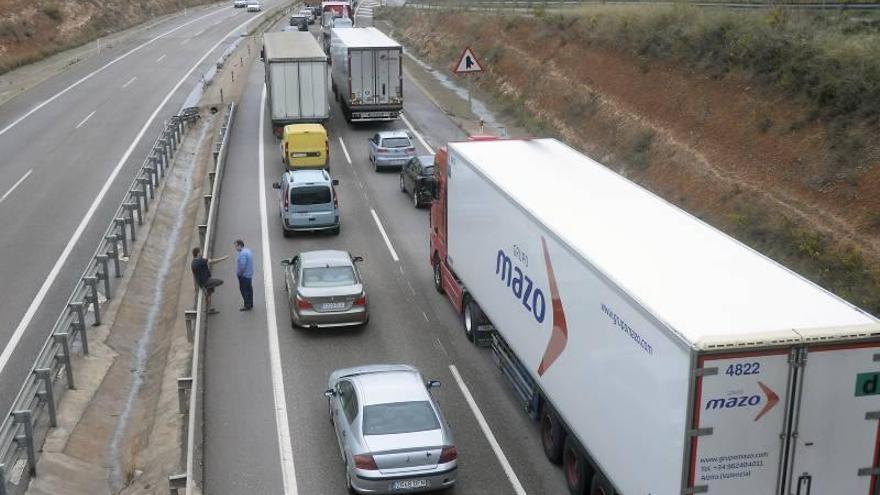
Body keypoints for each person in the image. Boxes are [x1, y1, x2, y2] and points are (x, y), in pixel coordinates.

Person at [191, 247, 228, 314]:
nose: (202, 253)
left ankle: (209, 309)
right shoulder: (200, 261)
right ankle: (209, 288)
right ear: (198, 253)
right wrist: (223, 258)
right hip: (206, 281)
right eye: (200, 252)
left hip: (201, 282)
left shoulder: (193, 262)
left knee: (209, 294)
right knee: (220, 281)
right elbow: (212, 261)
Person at [234, 239, 254, 311]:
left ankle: (247, 305)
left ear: (240, 245)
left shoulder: (242, 254)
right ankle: (250, 303)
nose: (235, 248)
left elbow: (242, 266)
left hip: (244, 276)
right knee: (249, 290)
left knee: (244, 290)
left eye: (236, 246)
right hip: (249, 275)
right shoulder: (248, 251)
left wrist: (239, 274)